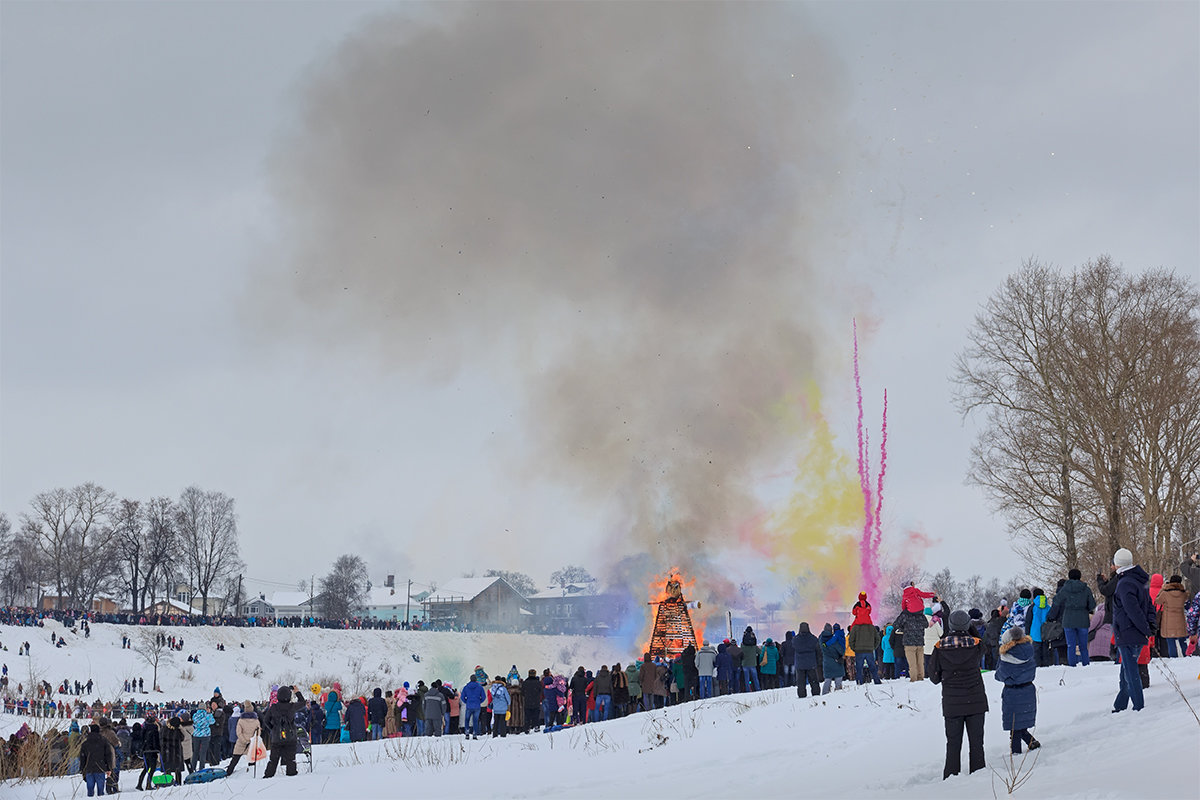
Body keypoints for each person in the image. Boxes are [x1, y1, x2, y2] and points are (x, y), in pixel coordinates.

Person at [930, 609, 988, 780]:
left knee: (953, 744)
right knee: (977, 743)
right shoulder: (976, 644)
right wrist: (970, 629)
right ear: (968, 625)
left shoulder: (940, 647)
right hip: (976, 701)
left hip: (952, 703)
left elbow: (933, 677)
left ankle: (950, 778)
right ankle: (978, 777)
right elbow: (983, 646)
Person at [1110, 548, 1155, 713]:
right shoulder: (1138, 580)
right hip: (1133, 631)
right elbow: (1149, 605)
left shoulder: (1124, 583)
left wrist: (1146, 628)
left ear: (1117, 563)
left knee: (1130, 671)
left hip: (1128, 631)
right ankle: (1120, 706)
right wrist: (1149, 625)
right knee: (1125, 671)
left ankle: (1138, 707)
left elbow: (1132, 610)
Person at [995, 626, 1039, 755]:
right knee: (1020, 721)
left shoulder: (1007, 659)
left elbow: (999, 675)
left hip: (1013, 693)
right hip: (1028, 690)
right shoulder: (1029, 651)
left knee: (1014, 725)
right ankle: (1031, 741)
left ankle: (1016, 755)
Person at [1049, 568, 1096, 666]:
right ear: (1080, 577)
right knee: (1083, 646)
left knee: (1071, 646)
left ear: (1069, 577)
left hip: (1068, 620)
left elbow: (1056, 601)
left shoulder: (1065, 589)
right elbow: (1092, 605)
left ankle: (1072, 666)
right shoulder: (1086, 589)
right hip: (1083, 619)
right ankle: (1086, 665)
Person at [262, 685, 303, 778]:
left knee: (273, 759)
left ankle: (268, 775)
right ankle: (291, 775)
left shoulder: (273, 708)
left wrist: (273, 728)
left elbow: (266, 720)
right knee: (291, 759)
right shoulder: (292, 706)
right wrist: (297, 692)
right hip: (291, 736)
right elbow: (302, 702)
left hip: (277, 737)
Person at [1155, 575, 1189, 657]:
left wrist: (1163, 588)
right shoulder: (1183, 593)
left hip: (1168, 621)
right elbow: (1187, 599)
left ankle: (1174, 659)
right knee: (1182, 640)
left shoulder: (1165, 593)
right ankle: (1187, 657)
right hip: (1180, 620)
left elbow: (1157, 601)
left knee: (1170, 641)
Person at [893, 603, 928, 681]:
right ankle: (921, 679)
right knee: (920, 663)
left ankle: (914, 680)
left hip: (909, 642)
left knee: (912, 664)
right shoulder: (921, 615)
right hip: (920, 642)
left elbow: (895, 624)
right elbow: (926, 625)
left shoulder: (905, 614)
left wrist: (903, 627)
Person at [79, 724, 115, 797]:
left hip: (89, 768)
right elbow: (108, 755)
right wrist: (109, 768)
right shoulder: (104, 742)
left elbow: (82, 758)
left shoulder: (85, 743)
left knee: (90, 790)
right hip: (100, 767)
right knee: (100, 791)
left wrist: (82, 769)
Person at [225, 705, 259, 773]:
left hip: (241, 742)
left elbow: (238, 732)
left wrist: (243, 740)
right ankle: (250, 772)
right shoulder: (256, 721)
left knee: (235, 758)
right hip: (251, 742)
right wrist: (251, 740)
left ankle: (229, 772)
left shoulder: (241, 720)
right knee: (251, 758)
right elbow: (258, 732)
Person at [136, 715, 160, 791]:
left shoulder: (144, 729)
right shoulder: (154, 729)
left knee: (146, 768)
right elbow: (156, 740)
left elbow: (141, 740)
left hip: (145, 750)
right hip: (152, 750)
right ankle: (148, 785)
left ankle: (139, 784)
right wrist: (158, 749)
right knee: (152, 768)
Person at [819, 623, 846, 694]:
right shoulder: (834, 640)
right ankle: (838, 695)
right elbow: (841, 651)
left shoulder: (821, 639)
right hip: (836, 662)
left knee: (827, 680)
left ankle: (824, 695)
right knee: (838, 680)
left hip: (827, 663)